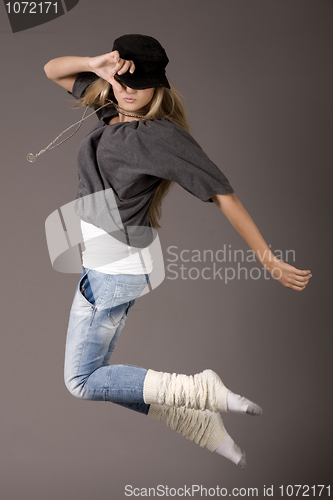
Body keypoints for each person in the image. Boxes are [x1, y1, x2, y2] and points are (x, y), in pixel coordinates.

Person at [43, 34, 312, 469]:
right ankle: (199, 423)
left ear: (159, 86)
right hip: (111, 260)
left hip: (115, 263)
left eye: (140, 83)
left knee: (81, 381)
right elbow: (52, 69)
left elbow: (224, 195)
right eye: (122, 80)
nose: (128, 90)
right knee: (107, 379)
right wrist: (98, 64)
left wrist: (269, 261)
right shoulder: (110, 107)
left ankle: (200, 391)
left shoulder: (160, 136)